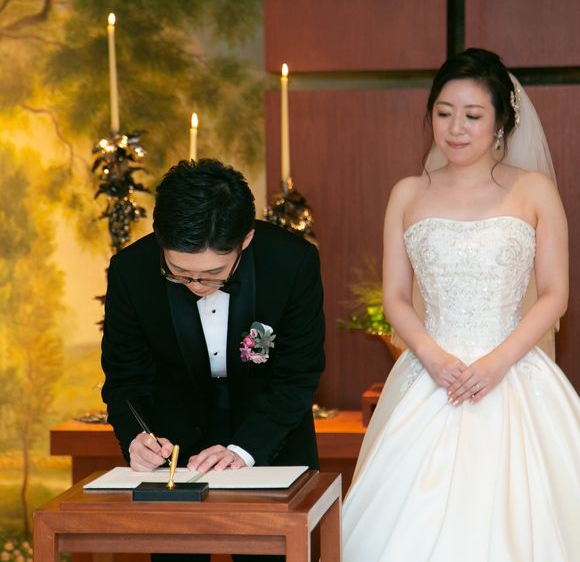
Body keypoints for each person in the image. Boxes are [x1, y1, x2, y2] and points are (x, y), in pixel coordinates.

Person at [342, 48, 580, 561]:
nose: (455, 128)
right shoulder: (407, 194)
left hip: (513, 371)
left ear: (501, 123)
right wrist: (432, 357)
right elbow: (396, 297)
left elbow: (555, 294)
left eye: (472, 115)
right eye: (444, 112)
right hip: (431, 374)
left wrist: (496, 363)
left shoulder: (534, 190)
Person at [101, 158, 325, 562]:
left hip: (271, 440)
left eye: (212, 274)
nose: (196, 286)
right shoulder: (130, 272)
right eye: (179, 273)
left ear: (246, 239)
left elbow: (298, 373)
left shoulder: (291, 263)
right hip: (175, 450)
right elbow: (125, 377)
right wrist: (137, 437)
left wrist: (245, 449)